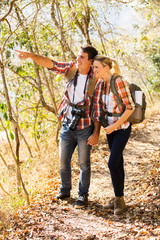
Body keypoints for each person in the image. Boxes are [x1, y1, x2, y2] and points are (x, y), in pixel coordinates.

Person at [15, 45, 101, 209]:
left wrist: (96, 133)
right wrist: (31, 55)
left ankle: (83, 195)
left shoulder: (96, 79)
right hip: (68, 123)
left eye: (82, 57)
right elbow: (51, 64)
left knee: (84, 163)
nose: (78, 59)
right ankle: (65, 190)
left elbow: (98, 109)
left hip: (85, 126)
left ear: (90, 61)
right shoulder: (71, 69)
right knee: (63, 161)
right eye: (78, 56)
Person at [92, 55, 135, 215]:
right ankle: (119, 198)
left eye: (97, 67)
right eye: (94, 67)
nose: (94, 70)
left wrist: (114, 126)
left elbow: (129, 108)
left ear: (106, 67)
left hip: (122, 128)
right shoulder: (102, 84)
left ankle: (119, 199)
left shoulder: (119, 81)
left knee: (112, 163)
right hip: (110, 129)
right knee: (117, 163)